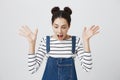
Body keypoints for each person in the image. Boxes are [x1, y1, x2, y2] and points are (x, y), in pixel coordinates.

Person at [19, 6, 100, 80]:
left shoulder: (75, 42)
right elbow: (32, 69)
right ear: (52, 25)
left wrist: (86, 41)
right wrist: (31, 43)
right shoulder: (46, 41)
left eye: (64, 27)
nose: (59, 31)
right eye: (56, 26)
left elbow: (87, 67)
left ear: (69, 26)